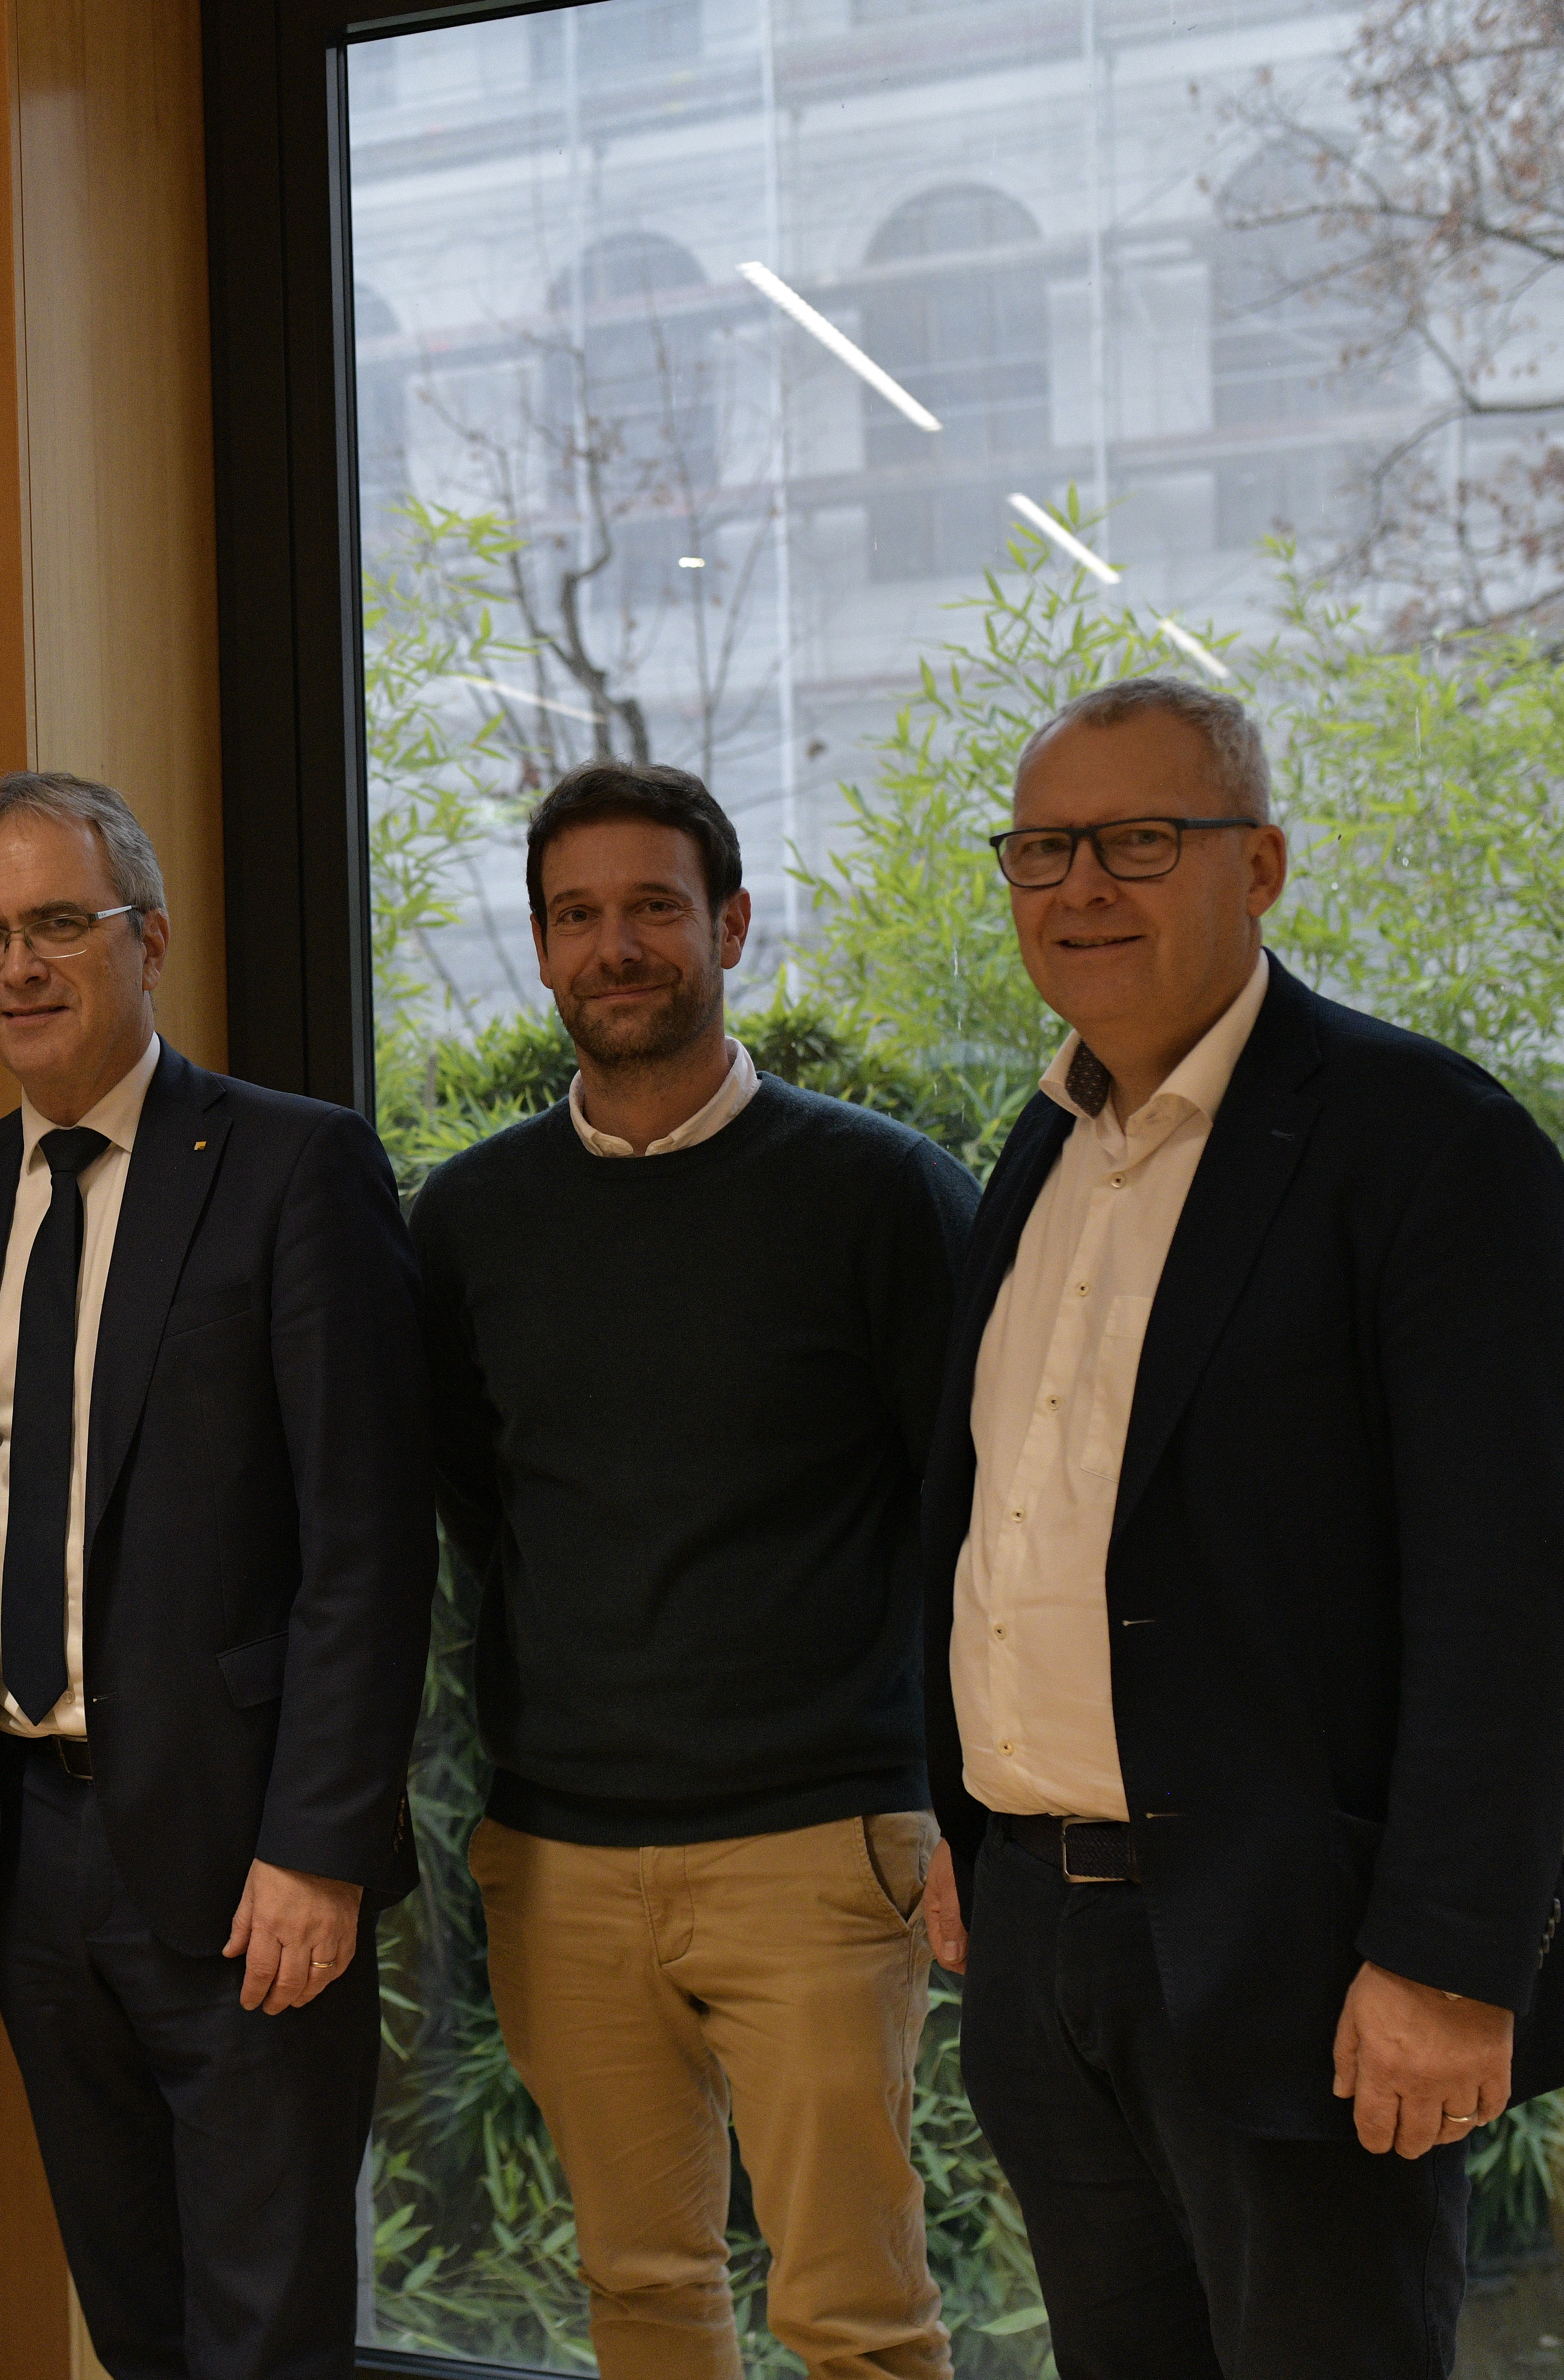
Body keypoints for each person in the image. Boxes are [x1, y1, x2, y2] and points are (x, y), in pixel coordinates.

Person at [916, 675, 1564, 2376]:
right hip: (1042, 1934)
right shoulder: (1043, 1148)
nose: (1080, 887)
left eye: (1141, 840)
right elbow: (1006, 1512)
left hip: (1302, 1951)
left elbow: (1513, 1596)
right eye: (1042, 849)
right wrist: (961, 1810)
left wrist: (1450, 1957)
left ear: (1265, 863)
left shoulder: (1429, 1145)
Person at [409, 761, 972, 2380]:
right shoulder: (473, 1219)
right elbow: (473, 1497)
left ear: (728, 925)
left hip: (817, 1844)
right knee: (641, 2294)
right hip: (562, 1856)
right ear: (538, 951)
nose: (617, 946)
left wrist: (955, 1811)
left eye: (654, 907)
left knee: (856, 2313)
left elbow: (967, 1509)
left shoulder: (880, 1195)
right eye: (577, 916)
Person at [0, 770, 437, 2380]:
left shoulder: (289, 1167)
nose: (20, 966)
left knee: (262, 2332)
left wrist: (321, 1849)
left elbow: (365, 1537)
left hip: (247, 1851)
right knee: (133, 2318)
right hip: (34, 1849)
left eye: (62, 921)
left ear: (153, 938)